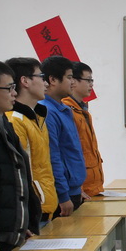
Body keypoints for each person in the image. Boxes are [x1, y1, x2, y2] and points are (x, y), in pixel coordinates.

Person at [0, 59, 41, 251]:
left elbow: (16, 177)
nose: (14, 93)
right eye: (9, 88)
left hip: (7, 233)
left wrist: (21, 223)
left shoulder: (3, 122)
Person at [5, 57, 58, 226]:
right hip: (31, 210)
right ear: (25, 81)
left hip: (44, 205)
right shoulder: (15, 120)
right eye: (41, 77)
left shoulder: (37, 117)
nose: (46, 83)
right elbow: (18, 173)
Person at [39, 56, 86, 218]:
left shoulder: (64, 109)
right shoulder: (47, 111)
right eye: (69, 77)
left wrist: (78, 187)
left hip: (73, 189)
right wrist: (63, 195)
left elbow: (71, 150)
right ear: (52, 80)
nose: (73, 82)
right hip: (62, 195)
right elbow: (53, 156)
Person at [62, 62, 104, 197]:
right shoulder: (67, 110)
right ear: (73, 81)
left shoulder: (82, 110)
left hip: (92, 187)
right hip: (80, 189)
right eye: (88, 80)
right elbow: (68, 153)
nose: (91, 85)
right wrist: (78, 189)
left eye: (92, 80)